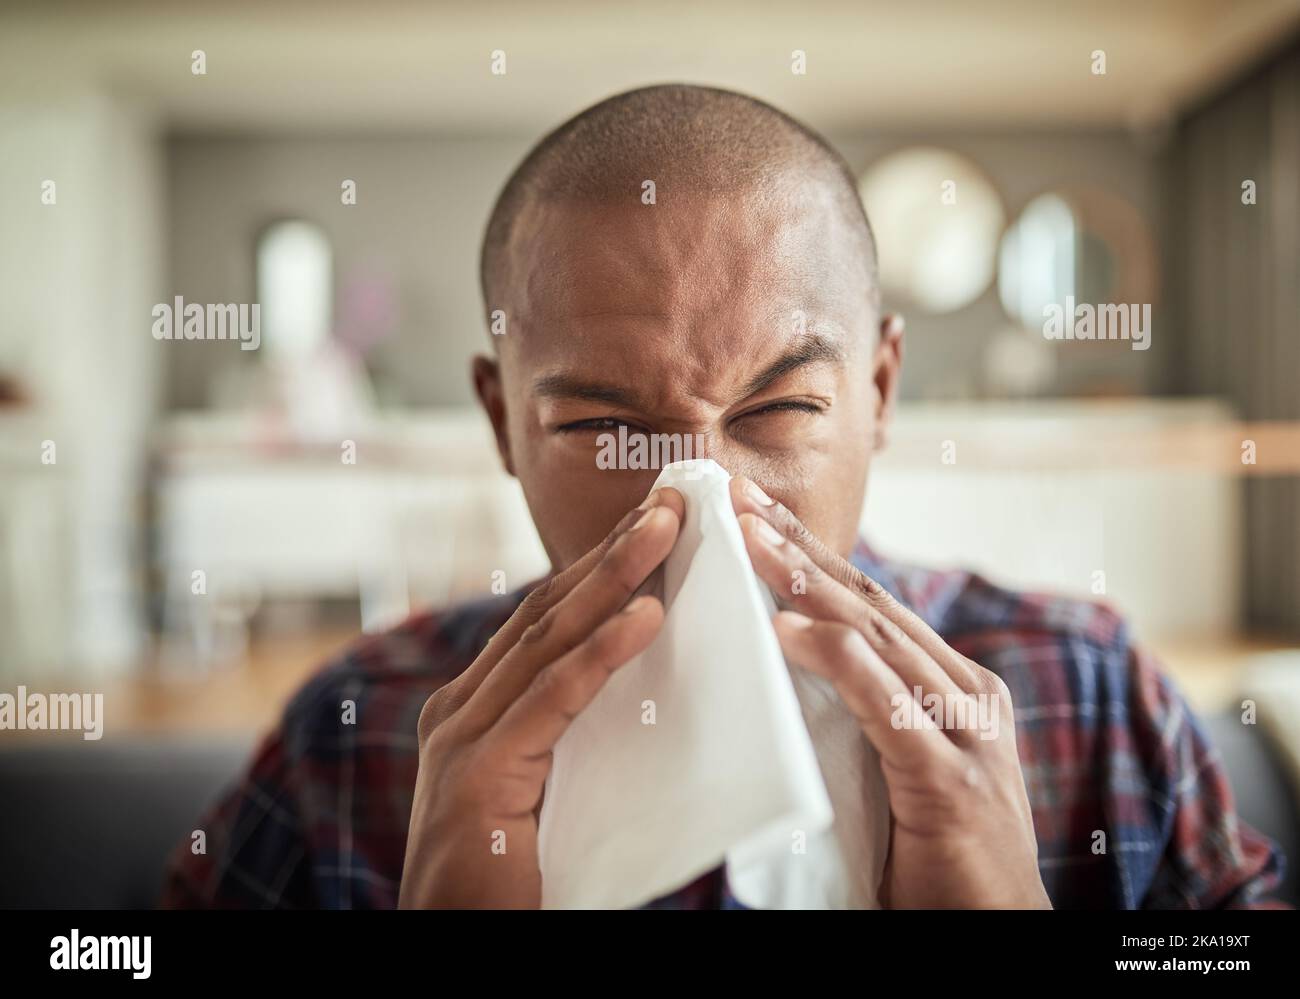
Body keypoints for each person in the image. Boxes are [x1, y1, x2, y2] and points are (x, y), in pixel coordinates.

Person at [161, 84, 1284, 909]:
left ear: (880, 391)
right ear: (502, 422)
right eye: (604, 428)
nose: (703, 500)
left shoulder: (1084, 700)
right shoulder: (356, 734)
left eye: (780, 412)